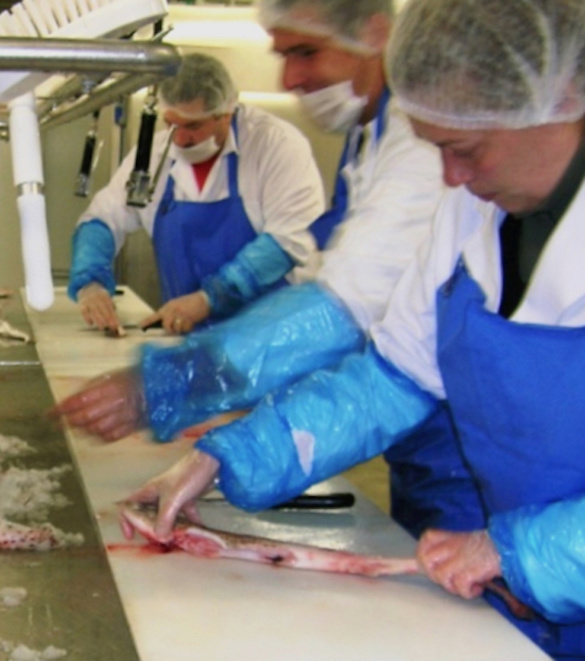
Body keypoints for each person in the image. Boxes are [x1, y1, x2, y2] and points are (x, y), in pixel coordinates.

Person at [125, 0, 585, 656]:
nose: (449, 178)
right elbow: (392, 379)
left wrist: (521, 550)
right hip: (517, 596)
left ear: (557, 101)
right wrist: (234, 453)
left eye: (465, 149)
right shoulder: (468, 209)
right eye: (435, 150)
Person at [55, 0, 480, 539]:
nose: (291, 77)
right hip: (392, 426)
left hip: (457, 448)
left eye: (306, 51)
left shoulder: (417, 146)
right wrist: (227, 454)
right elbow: (393, 370)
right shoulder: (368, 134)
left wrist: (172, 377)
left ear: (376, 32)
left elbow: (334, 299)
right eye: (282, 54)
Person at [68, 52, 324, 335]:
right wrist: (90, 282)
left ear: (225, 113)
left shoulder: (275, 146)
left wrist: (209, 298)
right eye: (171, 124)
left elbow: (289, 241)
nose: (179, 138)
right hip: (190, 340)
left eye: (193, 126)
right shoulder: (155, 154)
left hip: (274, 339)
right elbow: (102, 219)